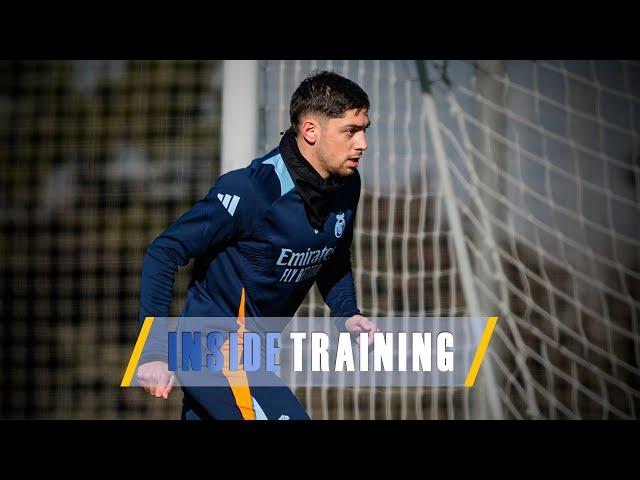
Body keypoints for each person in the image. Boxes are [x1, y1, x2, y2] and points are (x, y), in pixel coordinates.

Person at [136, 70, 377, 419]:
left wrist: (348, 313)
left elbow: (333, 254)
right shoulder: (251, 191)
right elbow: (163, 252)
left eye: (364, 129)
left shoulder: (346, 185)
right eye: (350, 131)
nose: (363, 143)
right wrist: (153, 350)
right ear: (311, 131)